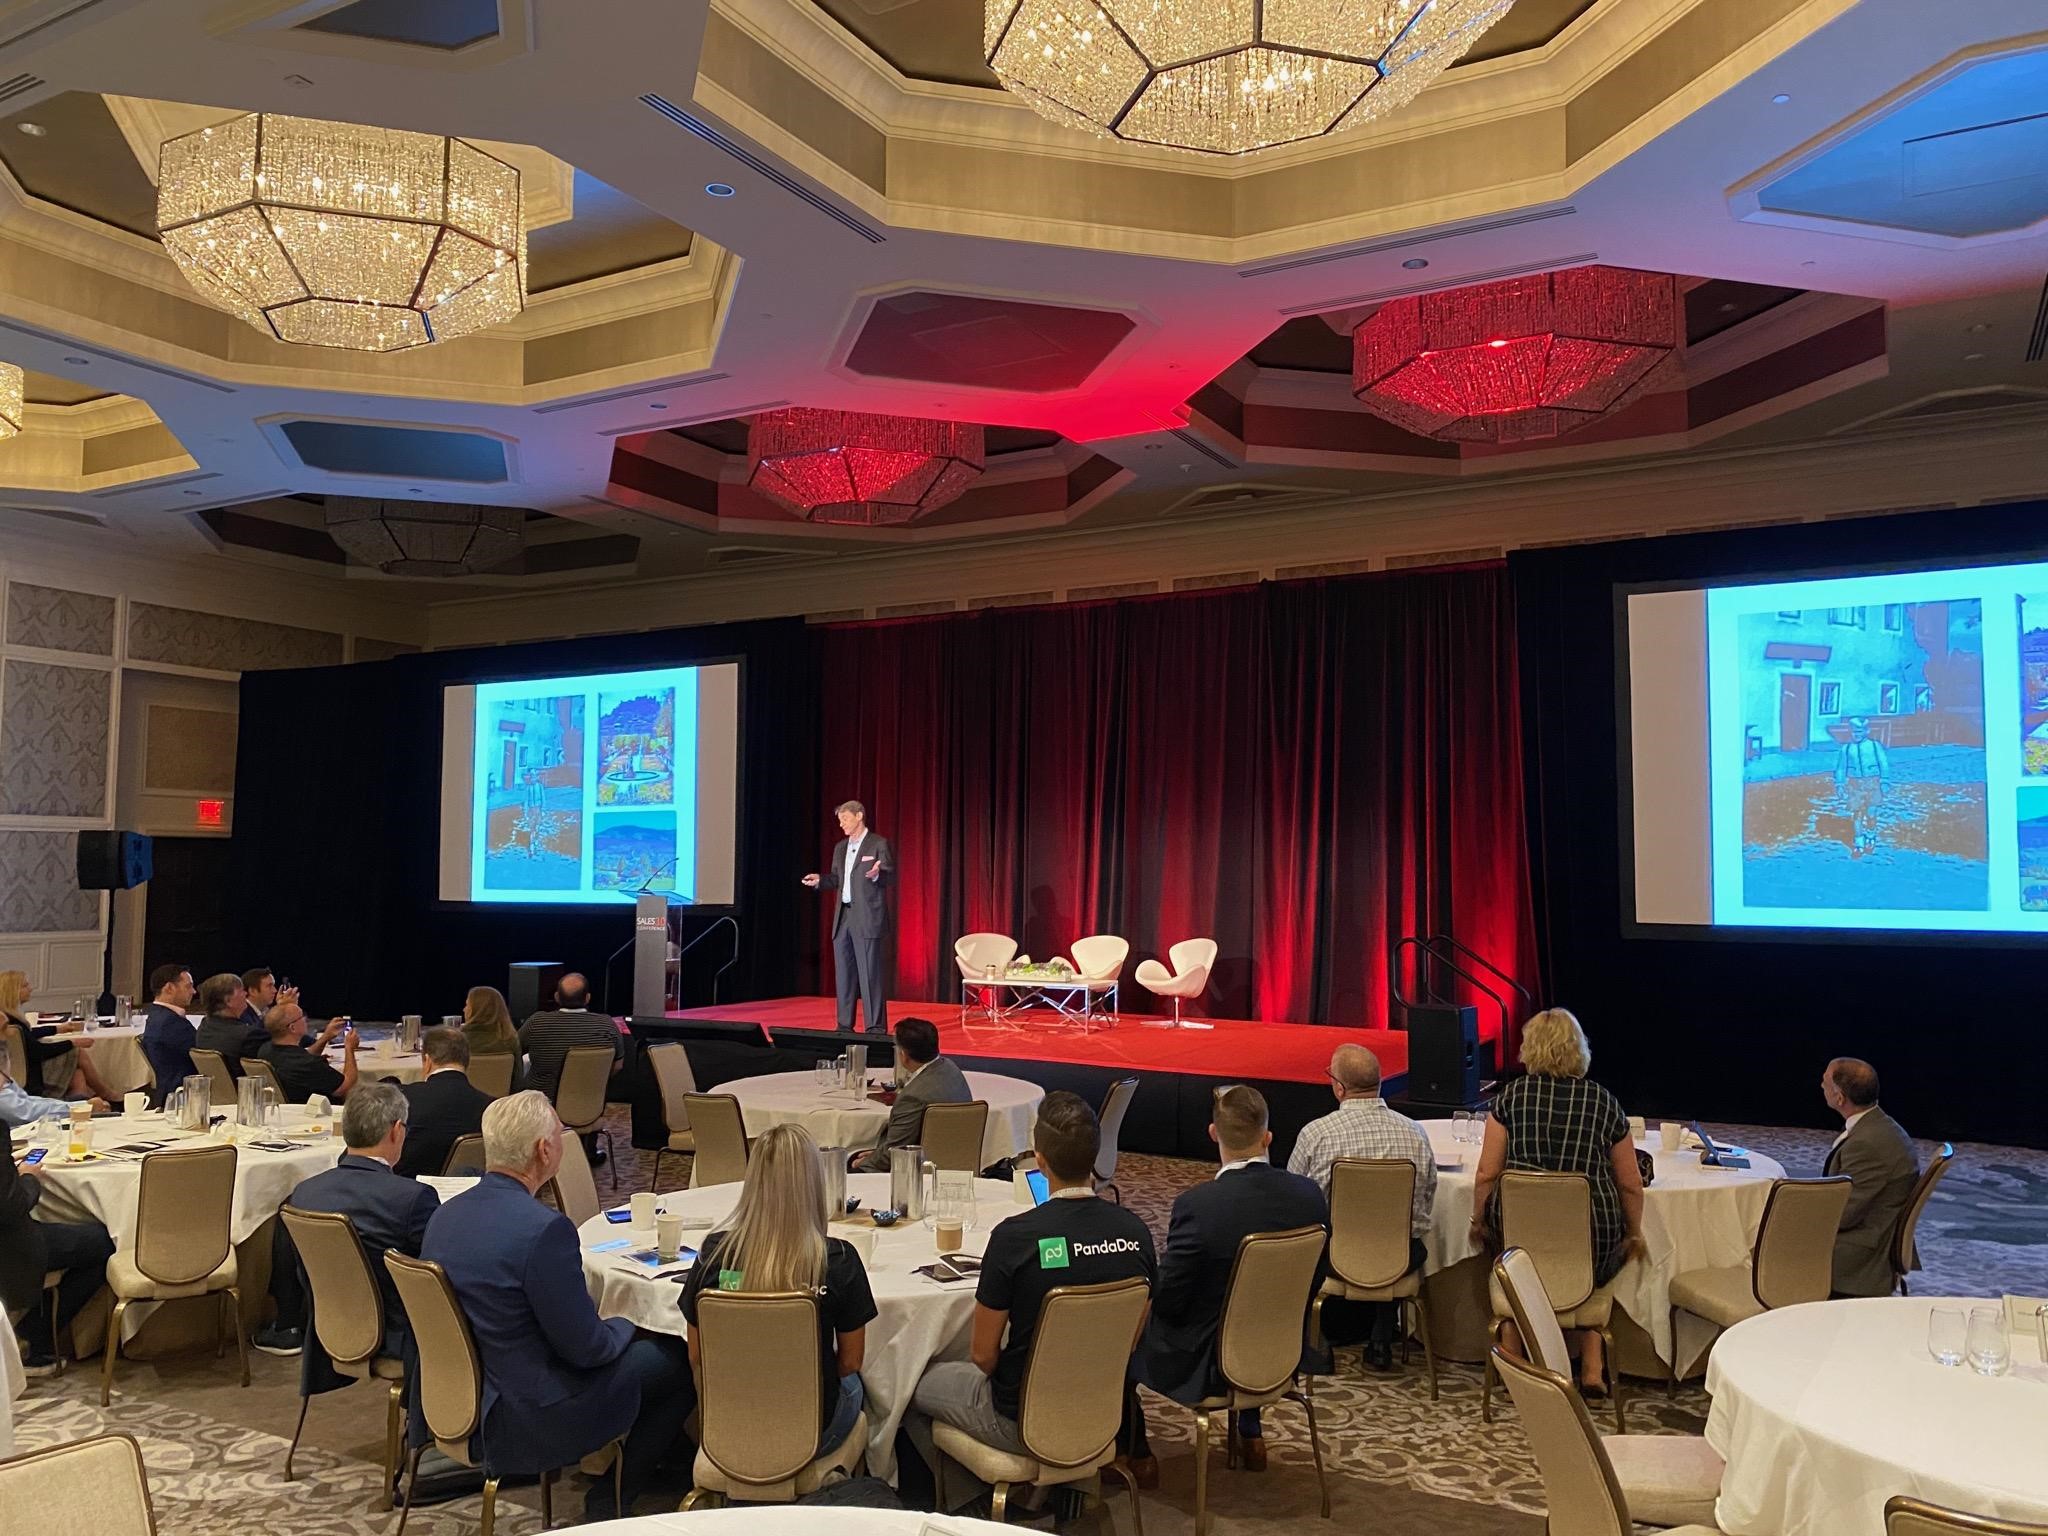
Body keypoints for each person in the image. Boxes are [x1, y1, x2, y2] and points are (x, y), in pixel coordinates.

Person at [423, 1091, 696, 1518]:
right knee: (674, 1356)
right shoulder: (543, 1231)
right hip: (533, 1411)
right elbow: (589, 1351)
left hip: (463, 1398)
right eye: (559, 1135)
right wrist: (628, 1321)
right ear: (544, 1149)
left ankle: (661, 1462)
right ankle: (613, 1495)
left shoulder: (445, 1215)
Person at [908, 1090, 1155, 1500]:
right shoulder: (1138, 1233)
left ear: (1039, 1159)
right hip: (1103, 1410)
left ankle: (963, 1507)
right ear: (1095, 1155)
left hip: (1018, 1419)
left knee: (910, 1384)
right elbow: (1128, 1339)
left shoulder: (1015, 1238)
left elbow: (983, 1356)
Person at [1125, 1085, 1327, 1483]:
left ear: (1213, 1134)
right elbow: (1316, 1277)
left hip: (1210, 1362)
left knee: (1119, 1341)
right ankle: (1250, 1434)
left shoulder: (1199, 1207)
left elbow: (1171, 1300)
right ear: (1268, 1137)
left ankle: (1138, 1455)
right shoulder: (1309, 1196)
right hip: (1283, 1349)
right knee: (1248, 1309)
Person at [1472, 1008, 1644, 1397]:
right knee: (1597, 1259)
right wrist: (1634, 1233)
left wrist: (1477, 1220)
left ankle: (1515, 1360)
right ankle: (1593, 1368)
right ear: (1578, 1050)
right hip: (1590, 1235)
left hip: (1521, 1235)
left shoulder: (1510, 1098)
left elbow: (1486, 1174)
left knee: (1508, 1252)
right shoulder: (1603, 1101)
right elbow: (1630, 1184)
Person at [680, 1124, 875, 1459]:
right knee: (862, 1385)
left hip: (729, 1427)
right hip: (812, 1435)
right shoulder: (839, 1261)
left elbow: (698, 1356)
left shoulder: (713, 1254)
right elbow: (850, 1362)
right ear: (815, 1184)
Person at [255, 1081, 439, 1359]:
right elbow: (435, 1271)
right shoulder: (412, 1199)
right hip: (400, 1335)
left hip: (325, 1329)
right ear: (397, 1131)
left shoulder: (304, 1194)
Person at [1286, 1043, 1436, 1368]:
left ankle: (1316, 1342)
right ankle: (1382, 1337)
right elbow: (1426, 1203)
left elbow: (1293, 1200)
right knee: (1397, 1237)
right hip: (1400, 1257)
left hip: (1335, 1257)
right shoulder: (1415, 1133)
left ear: (1339, 1087)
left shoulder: (1316, 1134)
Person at [3, 1120, 114, 1375]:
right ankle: (30, 1341)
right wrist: (28, 1177)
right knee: (104, 1244)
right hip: (9, 1244)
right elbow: (12, 1205)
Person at [1821, 1057, 1920, 1297]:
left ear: (1840, 1097)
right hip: (1874, 1232)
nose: (1820, 1085)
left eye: (1825, 1082)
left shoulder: (1867, 1144)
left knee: (1765, 1238)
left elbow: (1843, 1215)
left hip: (1860, 1256)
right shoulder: (1879, 1126)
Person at [802, 800, 894, 1034]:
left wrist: (876, 875)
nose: (841, 823)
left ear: (859, 816)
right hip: (843, 917)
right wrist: (821, 880)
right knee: (844, 974)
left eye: (845, 818)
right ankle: (844, 1025)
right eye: (840, 819)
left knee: (870, 975)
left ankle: (875, 1027)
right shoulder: (840, 847)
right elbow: (836, 879)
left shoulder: (878, 843)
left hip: (867, 917)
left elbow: (889, 875)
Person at [853, 1017, 968, 1173]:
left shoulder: (912, 1097)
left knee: (849, 1162)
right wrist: (879, 1152)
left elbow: (894, 1154)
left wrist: (869, 1160)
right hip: (955, 1160)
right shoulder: (950, 1068)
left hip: (915, 1171)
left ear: (903, 1054)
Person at [0, 970, 112, 1103]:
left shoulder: (11, 1019)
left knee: (78, 1074)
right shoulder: (9, 1022)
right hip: (31, 1075)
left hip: (27, 1068)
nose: (30, 989)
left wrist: (57, 1029)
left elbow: (28, 1036)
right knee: (76, 1053)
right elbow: (37, 1051)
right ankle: (104, 1094)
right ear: (14, 991)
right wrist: (72, 1043)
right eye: (25, 986)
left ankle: (80, 1105)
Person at [396, 1027, 493, 1178]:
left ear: (427, 1061)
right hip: (467, 1192)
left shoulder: (403, 1099)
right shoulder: (491, 1107)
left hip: (408, 1192)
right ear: (467, 1062)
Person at [517, 973, 620, 1104]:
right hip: (588, 1105)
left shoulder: (537, 1022)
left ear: (556, 997)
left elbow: (515, 1051)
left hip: (540, 1108)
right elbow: (617, 1065)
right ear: (587, 998)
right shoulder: (607, 1025)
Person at [258, 1003, 357, 1104]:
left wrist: (325, 1037)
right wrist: (349, 1048)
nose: (306, 1019)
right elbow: (345, 1086)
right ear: (292, 1028)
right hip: (319, 1113)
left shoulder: (265, 1050)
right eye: (301, 1016)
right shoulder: (306, 1064)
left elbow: (304, 1055)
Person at [139, 963, 198, 1106]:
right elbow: (201, 1053)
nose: (194, 991)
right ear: (169, 988)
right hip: (182, 1097)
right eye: (188, 986)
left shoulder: (156, 1015)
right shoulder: (170, 1023)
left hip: (168, 1090)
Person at [1833, 716, 1891, 857]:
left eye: (1859, 731)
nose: (1856, 735)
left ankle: (1870, 836)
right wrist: (1840, 784)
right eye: (1854, 732)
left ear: (1867, 731)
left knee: (1871, 813)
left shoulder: (1874, 745)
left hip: (1872, 782)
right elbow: (1841, 768)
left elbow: (1883, 763)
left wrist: (1884, 780)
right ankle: (1859, 842)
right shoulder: (1846, 749)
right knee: (1857, 813)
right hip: (1855, 784)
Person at [461, 985, 526, 1092]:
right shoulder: (510, 1040)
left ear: (477, 1010)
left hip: (465, 1103)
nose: (464, 1009)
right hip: (502, 1105)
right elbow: (517, 1082)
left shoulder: (459, 1041)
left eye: (467, 1005)